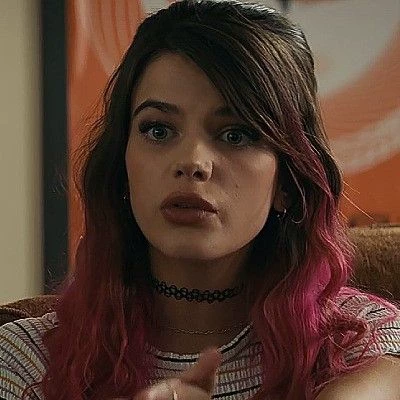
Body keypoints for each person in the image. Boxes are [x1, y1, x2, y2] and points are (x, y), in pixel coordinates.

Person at [1, 0, 400, 399]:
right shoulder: (25, 362)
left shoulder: (362, 344)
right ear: (122, 164)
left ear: (287, 183)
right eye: (158, 130)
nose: (192, 162)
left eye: (235, 135)